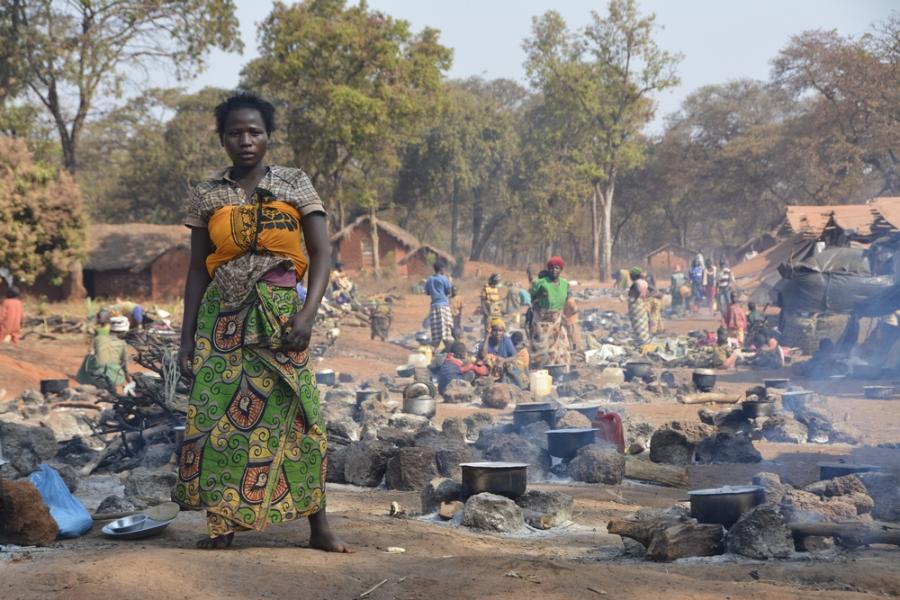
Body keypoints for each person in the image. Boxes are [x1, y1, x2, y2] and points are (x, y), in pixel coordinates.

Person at [173, 92, 347, 552]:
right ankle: (223, 524)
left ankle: (319, 527)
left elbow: (322, 253)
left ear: (268, 136)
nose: (245, 140)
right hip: (222, 318)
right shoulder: (208, 195)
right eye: (236, 132)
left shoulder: (294, 183)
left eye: (254, 131)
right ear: (223, 138)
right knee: (216, 419)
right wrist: (186, 337)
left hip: (281, 316)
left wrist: (308, 314)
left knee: (301, 414)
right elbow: (195, 269)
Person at [529, 256, 571, 367]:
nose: (554, 270)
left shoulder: (565, 284)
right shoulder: (540, 283)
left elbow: (567, 300)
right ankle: (539, 372)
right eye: (552, 268)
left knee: (562, 348)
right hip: (542, 321)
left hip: (557, 320)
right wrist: (539, 297)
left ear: (561, 270)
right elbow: (531, 298)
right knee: (541, 348)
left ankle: (559, 372)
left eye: (557, 268)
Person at [76, 309, 132, 391]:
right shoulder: (122, 343)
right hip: (114, 379)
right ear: (124, 331)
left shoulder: (98, 337)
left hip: (95, 377)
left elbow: (91, 352)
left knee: (89, 358)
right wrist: (130, 383)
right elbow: (125, 368)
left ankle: (87, 382)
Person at [424, 259, 453, 349]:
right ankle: (447, 350)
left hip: (434, 307)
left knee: (436, 332)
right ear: (441, 269)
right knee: (446, 331)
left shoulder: (429, 279)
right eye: (444, 269)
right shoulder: (444, 278)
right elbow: (448, 291)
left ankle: (435, 349)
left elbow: (427, 292)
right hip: (443, 306)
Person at [627, 267, 650, 347]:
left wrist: (634, 297)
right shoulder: (645, 282)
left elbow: (636, 292)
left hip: (636, 307)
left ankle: (641, 344)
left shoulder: (636, 284)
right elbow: (650, 292)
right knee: (643, 325)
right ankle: (645, 342)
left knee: (637, 325)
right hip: (643, 305)